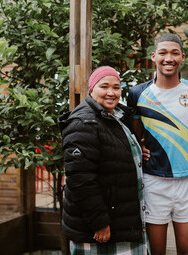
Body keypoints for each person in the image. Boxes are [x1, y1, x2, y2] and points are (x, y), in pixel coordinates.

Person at [127, 33, 188, 255]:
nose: (168, 58)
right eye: (162, 53)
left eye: (174, 53)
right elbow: (136, 136)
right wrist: (139, 148)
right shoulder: (138, 93)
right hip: (153, 181)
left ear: (182, 57)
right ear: (154, 56)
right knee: (155, 253)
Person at [58, 66, 149, 254]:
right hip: (100, 229)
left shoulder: (117, 116)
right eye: (104, 86)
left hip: (122, 223)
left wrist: (137, 153)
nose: (111, 92)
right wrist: (99, 222)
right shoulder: (83, 123)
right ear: (92, 89)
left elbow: (113, 157)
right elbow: (80, 180)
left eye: (116, 87)